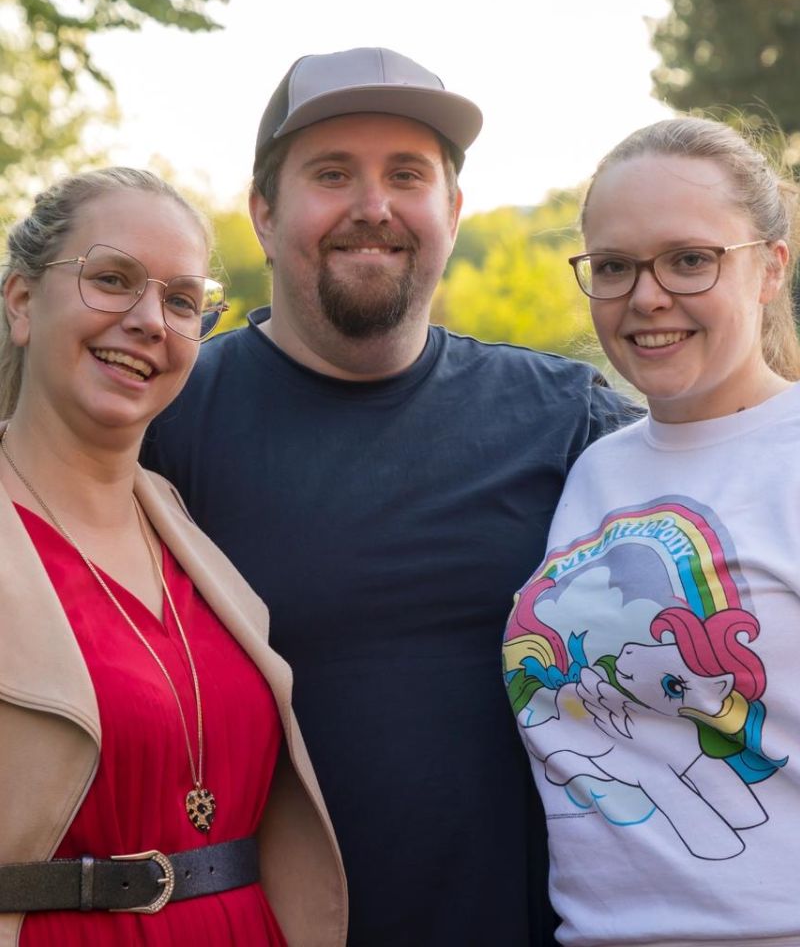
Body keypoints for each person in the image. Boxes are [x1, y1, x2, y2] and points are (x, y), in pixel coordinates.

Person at [142, 47, 634, 947]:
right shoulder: (164, 425)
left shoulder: (569, 423)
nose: (374, 206)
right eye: (333, 174)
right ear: (264, 213)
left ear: (453, 210)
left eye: (407, 175)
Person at [0, 168, 347, 947]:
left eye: (183, 300)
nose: (149, 320)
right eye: (112, 280)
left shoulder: (193, 536)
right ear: (22, 301)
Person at [503, 116, 800, 945]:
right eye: (614, 266)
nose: (646, 296)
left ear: (771, 267)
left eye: (690, 259)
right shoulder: (597, 470)